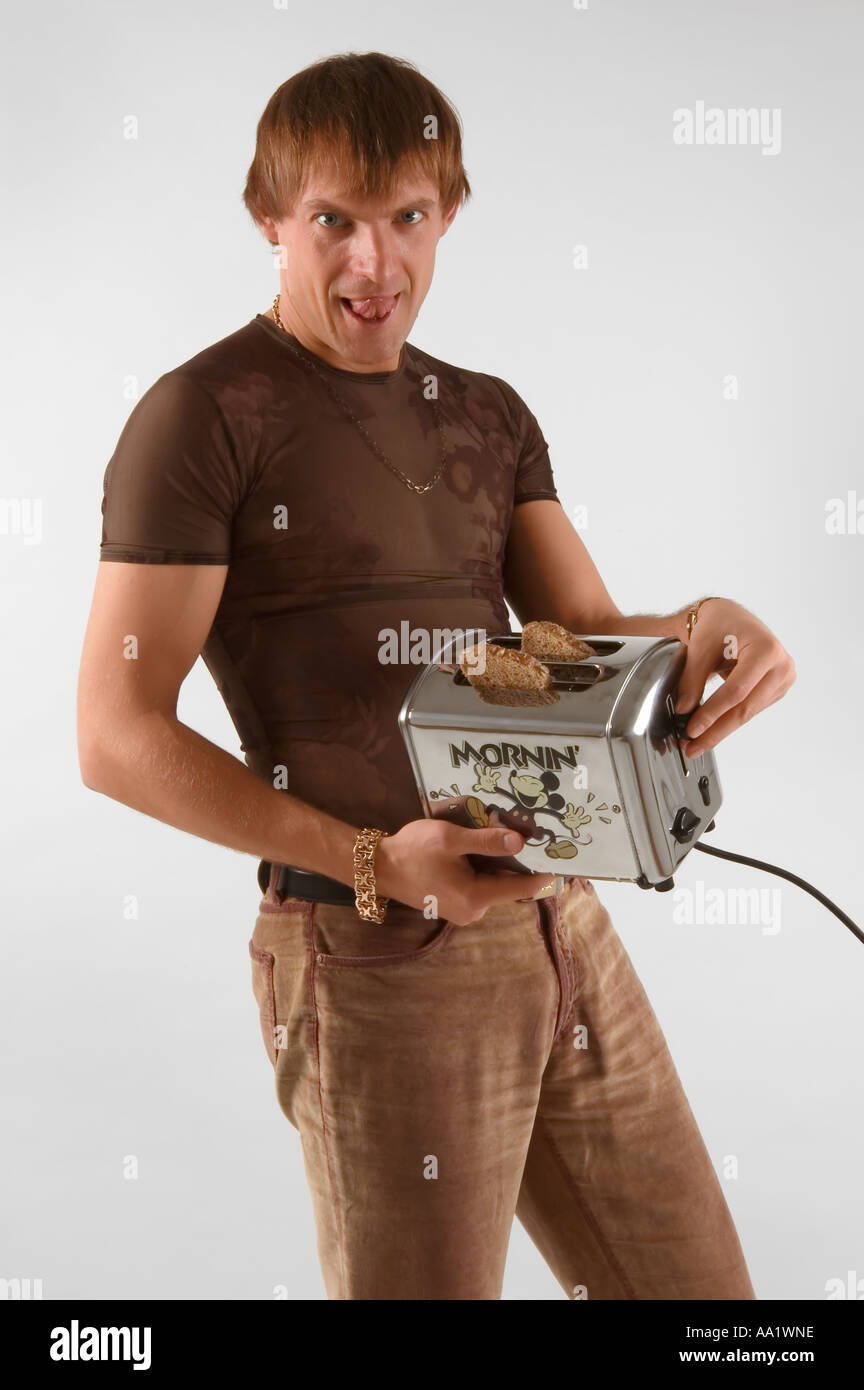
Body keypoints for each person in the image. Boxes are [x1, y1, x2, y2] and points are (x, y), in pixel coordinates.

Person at [77, 51, 795, 1300]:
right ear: (269, 220)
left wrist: (700, 624)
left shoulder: (486, 411)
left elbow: (583, 632)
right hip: (369, 950)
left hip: (563, 920)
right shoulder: (202, 417)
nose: (374, 264)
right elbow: (113, 731)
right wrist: (371, 860)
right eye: (333, 223)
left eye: (406, 218)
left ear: (447, 212)